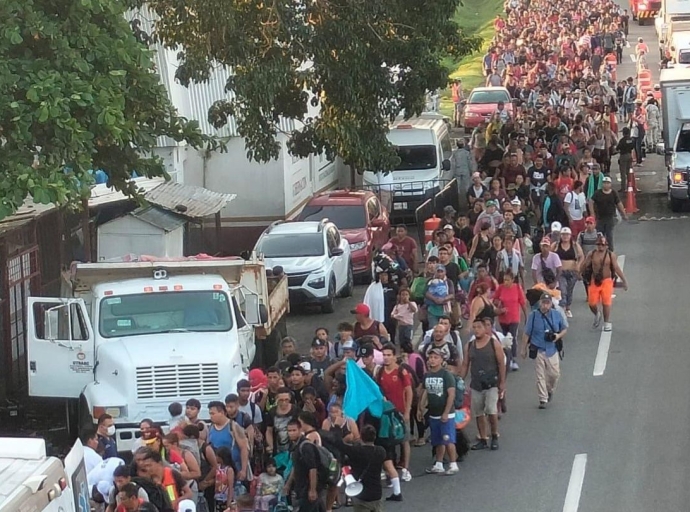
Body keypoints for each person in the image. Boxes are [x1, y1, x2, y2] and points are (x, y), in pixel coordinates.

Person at [459, 319, 506, 451]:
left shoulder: (493, 343)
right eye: (474, 327)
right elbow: (465, 365)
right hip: (476, 384)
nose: (476, 329)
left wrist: (502, 382)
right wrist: (459, 380)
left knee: (491, 410)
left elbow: (501, 363)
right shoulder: (470, 346)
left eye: (479, 327)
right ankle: (483, 438)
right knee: (478, 412)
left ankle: (494, 435)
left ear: (485, 328)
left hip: (492, 383)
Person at [520, 292, 568, 409]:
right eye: (543, 303)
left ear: (551, 304)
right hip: (538, 349)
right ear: (540, 303)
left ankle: (549, 390)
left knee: (554, 374)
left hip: (552, 349)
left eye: (547, 303)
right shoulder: (534, 316)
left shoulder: (557, 315)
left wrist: (557, 336)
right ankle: (543, 398)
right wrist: (523, 349)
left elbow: (564, 329)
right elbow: (526, 333)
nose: (545, 305)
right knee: (540, 375)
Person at [419, 349, 459, 474]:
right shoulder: (428, 375)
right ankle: (439, 463)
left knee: (448, 439)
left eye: (436, 357)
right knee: (437, 440)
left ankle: (453, 464)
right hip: (433, 413)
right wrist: (421, 408)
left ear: (442, 360)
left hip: (446, 413)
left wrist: (446, 412)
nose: (432, 360)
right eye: (430, 357)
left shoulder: (446, 375)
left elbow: (451, 394)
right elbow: (425, 392)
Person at [378, 344, 413, 482]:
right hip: (387, 413)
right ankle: (389, 469)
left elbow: (409, 391)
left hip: (400, 411)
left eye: (388, 355)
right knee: (387, 440)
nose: (386, 358)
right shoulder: (380, 371)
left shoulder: (401, 371)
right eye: (384, 355)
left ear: (394, 356)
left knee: (404, 440)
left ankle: (405, 468)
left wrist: (407, 411)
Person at [582, 233, 628, 331]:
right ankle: (597, 313)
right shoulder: (592, 254)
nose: (600, 246)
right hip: (595, 280)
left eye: (602, 245)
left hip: (607, 281)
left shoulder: (611, 255)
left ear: (606, 245)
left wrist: (624, 280)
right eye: (599, 244)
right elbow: (585, 264)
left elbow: (616, 268)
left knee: (606, 303)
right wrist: (579, 272)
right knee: (591, 303)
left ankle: (606, 322)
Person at [493, 269, 529, 371]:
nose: (506, 282)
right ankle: (506, 358)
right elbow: (494, 300)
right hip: (503, 318)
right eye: (504, 280)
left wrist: (527, 317)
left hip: (514, 317)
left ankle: (513, 359)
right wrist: (499, 305)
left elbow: (522, 303)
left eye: (508, 280)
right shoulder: (500, 288)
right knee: (504, 338)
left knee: (512, 337)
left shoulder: (517, 288)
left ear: (513, 280)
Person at [588, 176, 627, 251]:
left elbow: (619, 203)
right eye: (604, 183)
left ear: (610, 184)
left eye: (607, 183)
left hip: (610, 218)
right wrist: (592, 213)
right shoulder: (598, 193)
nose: (606, 185)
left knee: (609, 236)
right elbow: (591, 201)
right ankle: (599, 251)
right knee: (599, 235)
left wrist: (624, 214)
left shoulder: (613, 193)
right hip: (600, 218)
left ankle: (610, 252)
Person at [552, 227, 584, 318]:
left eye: (567, 235)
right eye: (563, 235)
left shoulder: (574, 245)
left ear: (570, 236)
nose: (565, 236)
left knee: (569, 290)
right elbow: (549, 255)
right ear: (561, 236)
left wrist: (578, 265)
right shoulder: (556, 245)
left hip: (572, 272)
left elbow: (582, 256)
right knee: (563, 289)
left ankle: (568, 308)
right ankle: (561, 308)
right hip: (560, 272)